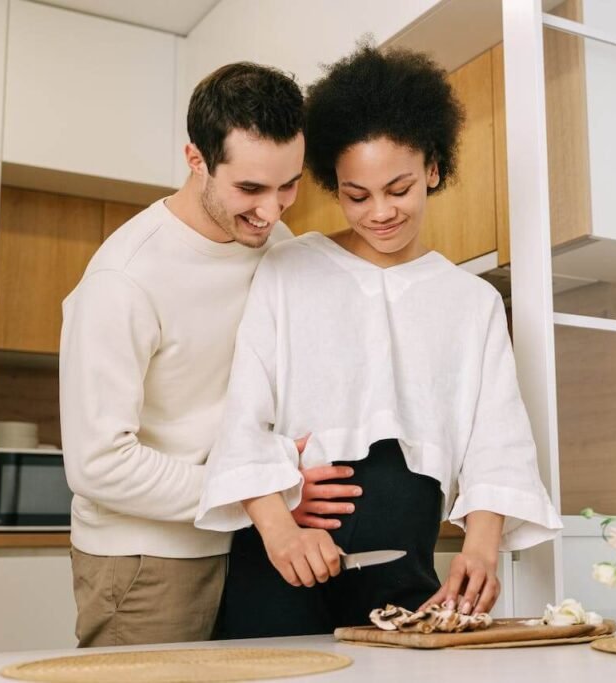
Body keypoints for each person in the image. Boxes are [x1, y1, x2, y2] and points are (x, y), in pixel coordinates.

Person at [195, 45, 562, 639]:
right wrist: (278, 530)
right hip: (284, 561)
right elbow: (243, 421)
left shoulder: (471, 301)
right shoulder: (289, 270)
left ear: (434, 170)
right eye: (356, 195)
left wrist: (482, 547)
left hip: (405, 569)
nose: (381, 212)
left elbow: (498, 439)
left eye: (400, 188)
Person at [59, 62, 358, 648]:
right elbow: (98, 465)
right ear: (196, 159)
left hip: (248, 547)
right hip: (148, 562)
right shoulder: (124, 280)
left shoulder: (275, 243)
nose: (271, 212)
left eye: (288, 185)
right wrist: (263, 495)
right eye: (249, 189)